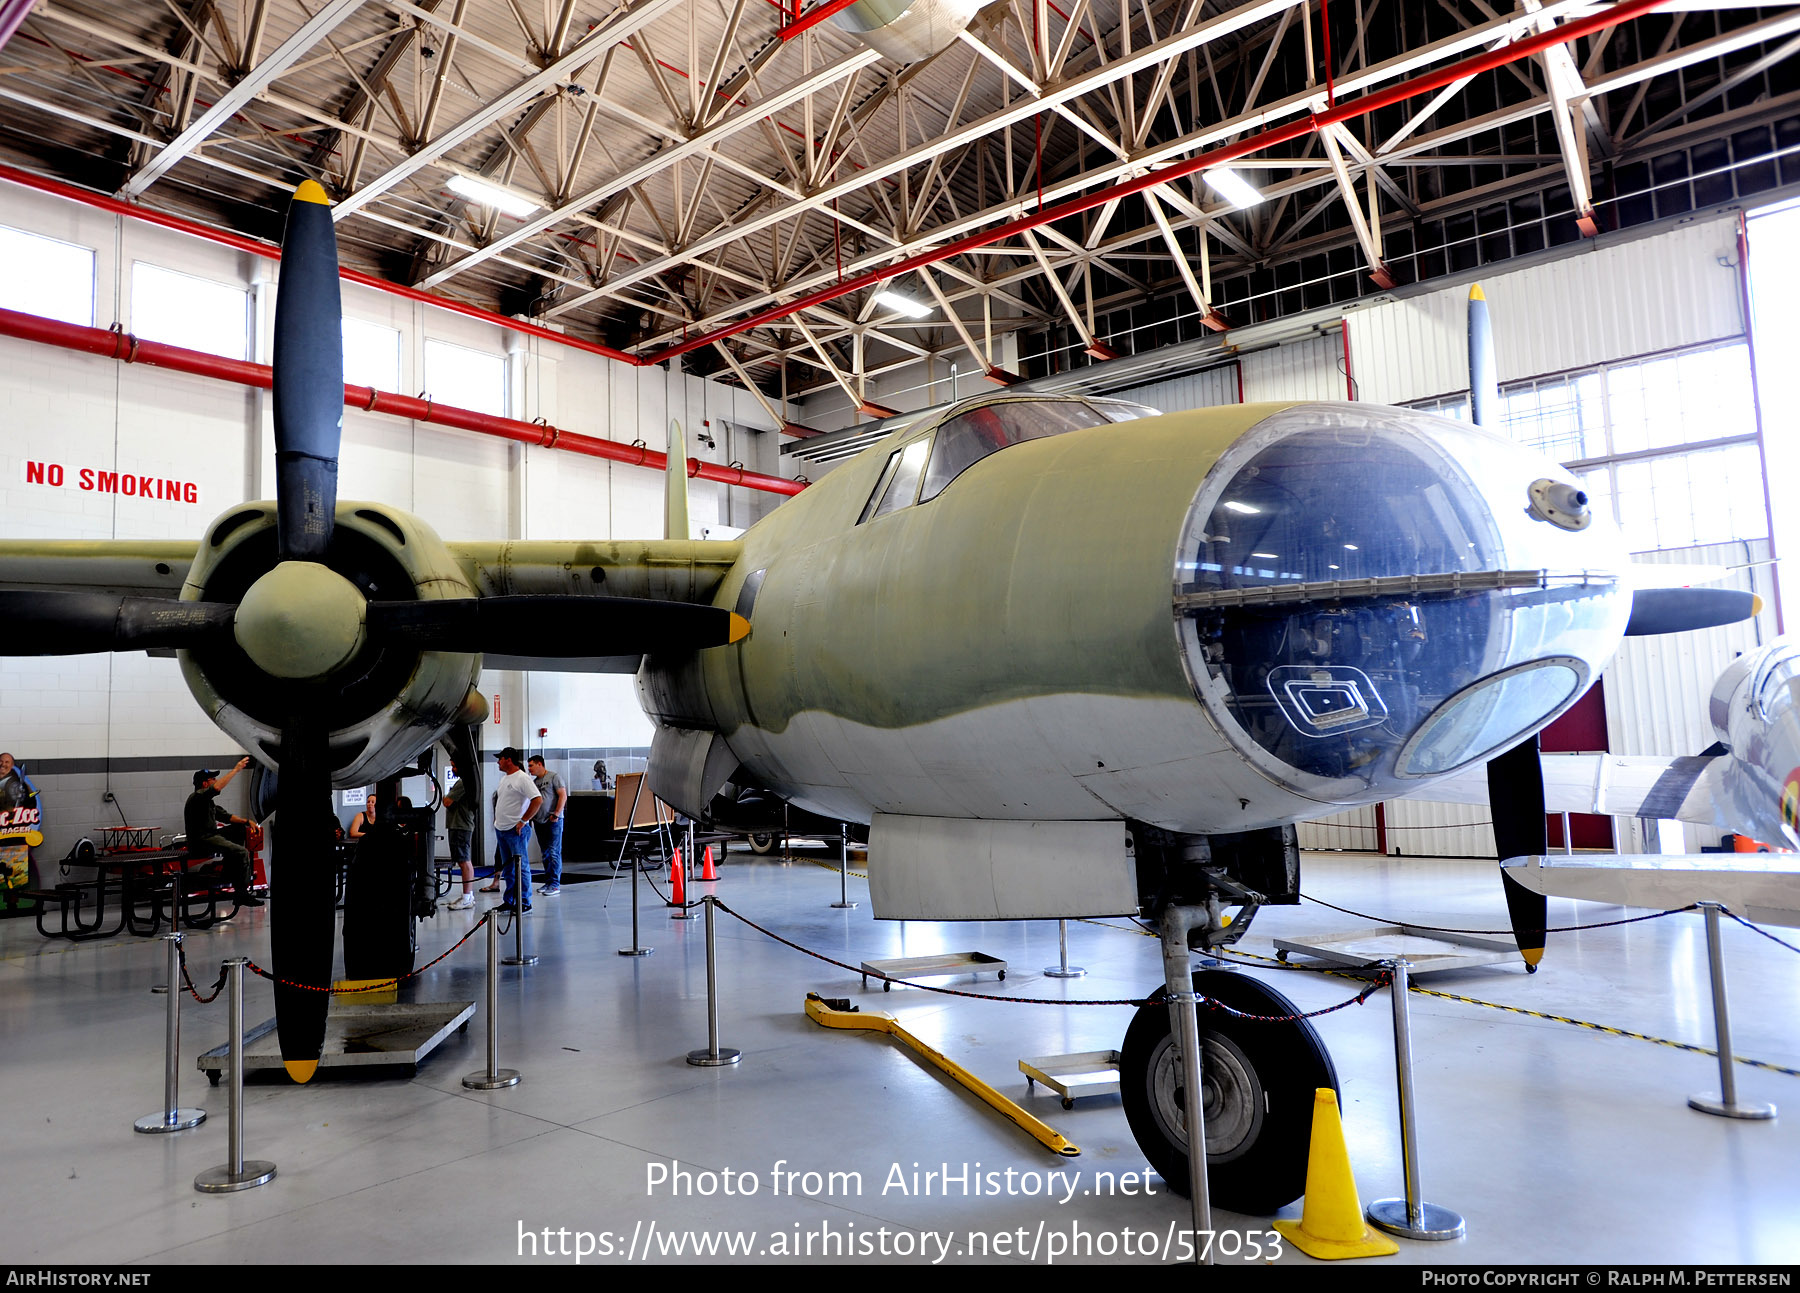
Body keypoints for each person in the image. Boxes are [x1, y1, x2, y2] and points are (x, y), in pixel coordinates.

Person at [185, 758, 261, 908]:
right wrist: (236, 770)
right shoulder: (197, 797)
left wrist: (247, 821)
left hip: (210, 837)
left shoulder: (207, 802)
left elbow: (226, 816)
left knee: (238, 829)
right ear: (205, 784)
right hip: (202, 841)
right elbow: (217, 788)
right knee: (242, 852)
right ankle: (241, 894)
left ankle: (228, 869)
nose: (216, 780)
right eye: (213, 779)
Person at [492, 747, 541, 914]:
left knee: (521, 867)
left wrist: (523, 820)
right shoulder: (505, 778)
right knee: (509, 869)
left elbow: (537, 800)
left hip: (516, 831)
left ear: (508, 759)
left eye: (500, 758)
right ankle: (510, 901)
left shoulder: (522, 778)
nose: (498, 761)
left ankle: (525, 902)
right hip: (502, 829)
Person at [527, 754, 567, 897]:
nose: (529, 769)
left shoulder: (554, 777)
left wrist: (556, 813)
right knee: (545, 853)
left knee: (553, 851)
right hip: (539, 821)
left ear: (539, 764)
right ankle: (549, 881)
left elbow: (562, 795)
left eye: (531, 765)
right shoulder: (534, 782)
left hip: (553, 821)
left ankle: (555, 884)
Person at [443, 762, 476, 910]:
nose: (453, 769)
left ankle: (467, 897)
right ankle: (468, 895)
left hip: (460, 825)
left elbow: (447, 801)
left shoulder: (463, 782)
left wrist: (445, 796)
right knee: (463, 860)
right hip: (458, 825)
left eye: (455, 766)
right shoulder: (464, 782)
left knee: (464, 861)